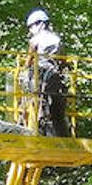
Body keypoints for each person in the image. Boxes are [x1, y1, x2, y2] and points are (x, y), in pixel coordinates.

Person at [25, 8, 70, 137]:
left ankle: (38, 125)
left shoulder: (35, 40)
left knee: (37, 100)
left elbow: (29, 61)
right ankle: (61, 131)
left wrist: (24, 70)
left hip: (41, 76)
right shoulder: (57, 40)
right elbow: (63, 60)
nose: (30, 30)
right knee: (57, 109)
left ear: (40, 24)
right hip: (56, 77)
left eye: (31, 27)